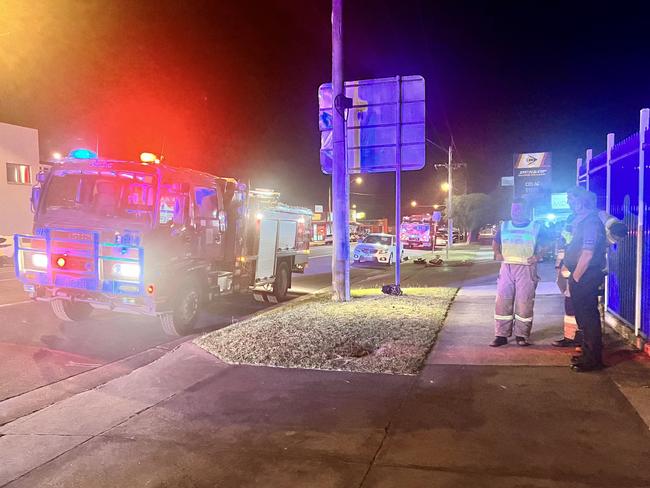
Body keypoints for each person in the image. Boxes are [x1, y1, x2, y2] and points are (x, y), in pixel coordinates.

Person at [490, 198, 545, 347]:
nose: (515, 212)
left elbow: (548, 243)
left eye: (519, 209)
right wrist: (496, 253)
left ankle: (522, 335)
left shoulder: (536, 226)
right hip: (507, 267)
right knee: (502, 301)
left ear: (526, 209)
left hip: (526, 268)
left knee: (524, 302)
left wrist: (538, 257)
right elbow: (496, 242)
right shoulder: (505, 225)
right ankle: (501, 335)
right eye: (513, 209)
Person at [564, 187, 607, 372]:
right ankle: (588, 353)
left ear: (583, 200)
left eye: (573, 199)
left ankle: (593, 360)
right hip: (582, 274)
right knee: (583, 316)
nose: (569, 203)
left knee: (588, 317)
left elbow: (588, 253)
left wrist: (576, 277)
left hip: (586, 274)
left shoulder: (591, 222)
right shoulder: (581, 220)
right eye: (568, 200)